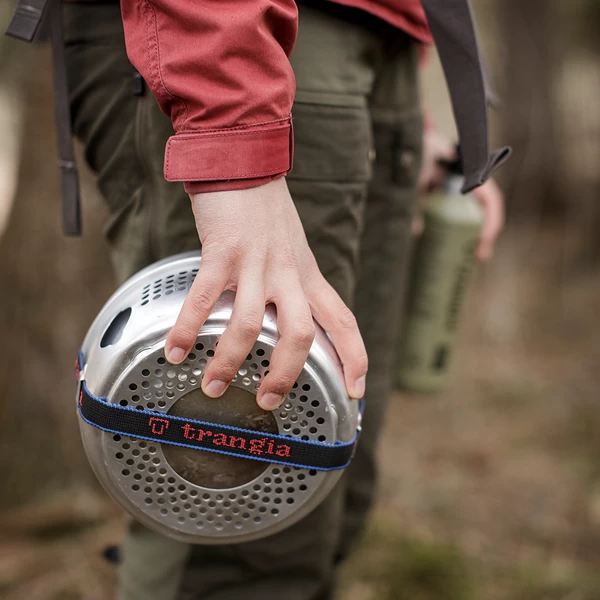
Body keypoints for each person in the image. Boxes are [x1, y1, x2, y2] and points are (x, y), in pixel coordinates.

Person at [57, 0, 507, 597]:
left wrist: (401, 115)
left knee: (328, 495)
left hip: (366, 42)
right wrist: (230, 139)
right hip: (231, 46)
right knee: (235, 533)